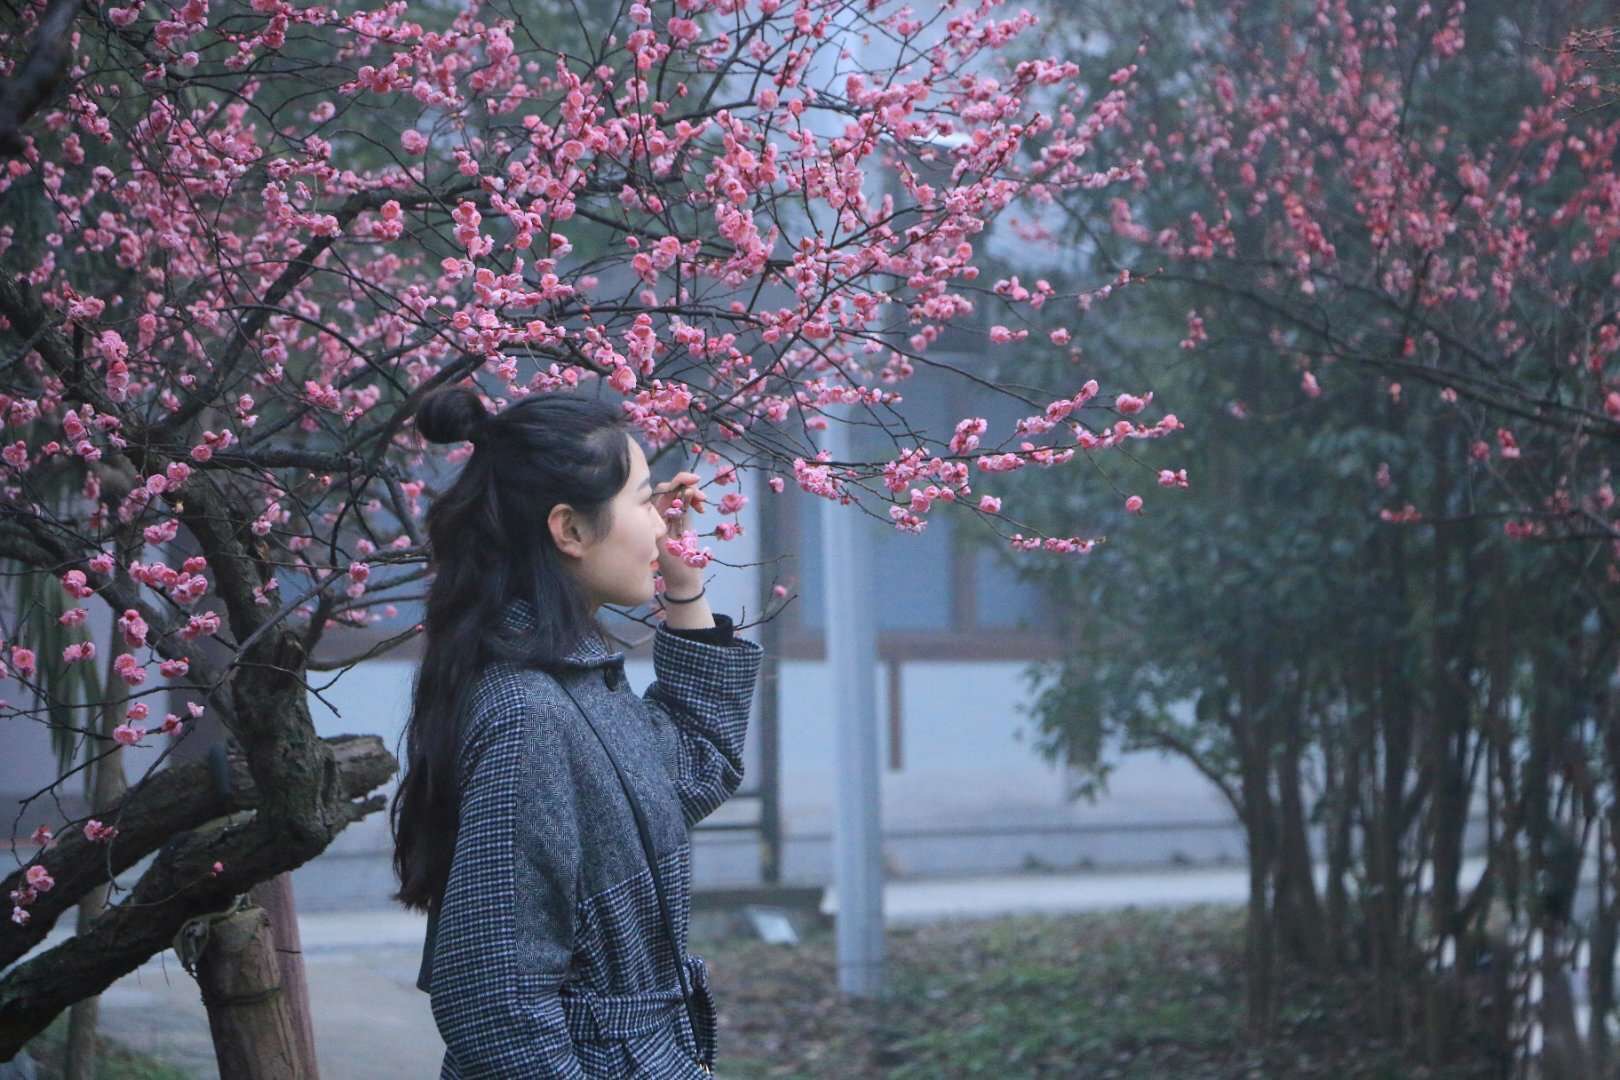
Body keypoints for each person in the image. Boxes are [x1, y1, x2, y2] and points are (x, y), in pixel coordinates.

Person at [390, 384, 763, 1077]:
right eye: (645, 502)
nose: (662, 526)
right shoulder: (529, 713)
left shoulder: (568, 681)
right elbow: (495, 1006)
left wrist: (683, 587)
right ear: (569, 530)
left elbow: (695, 765)